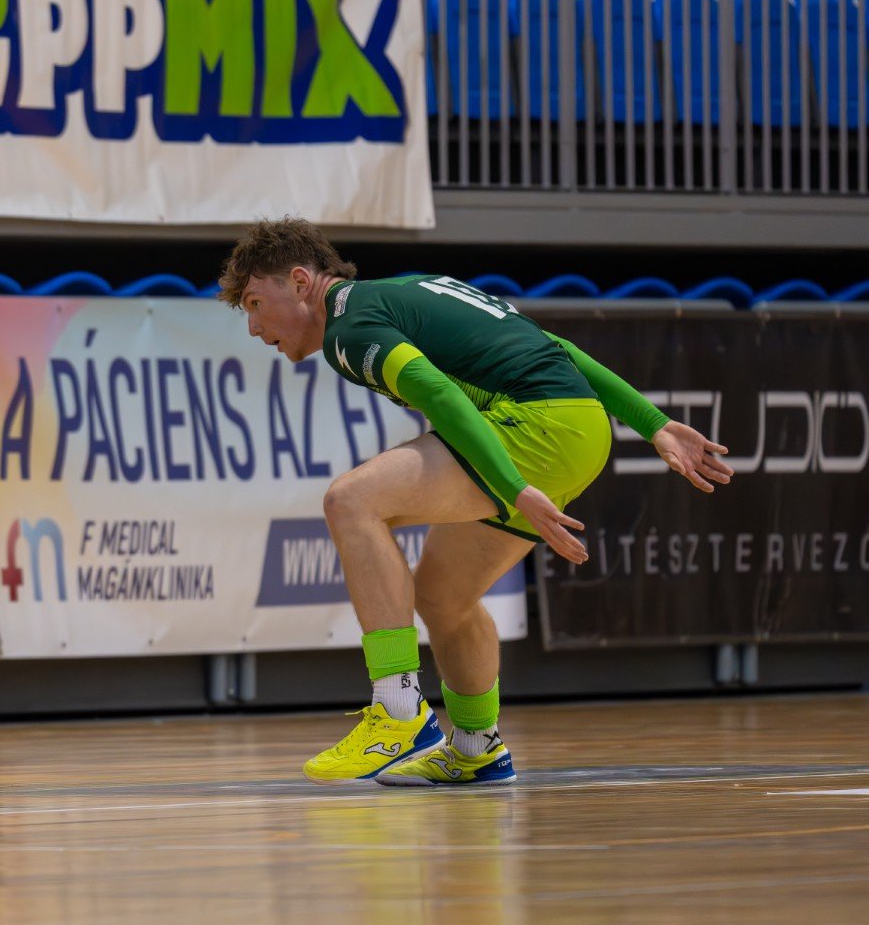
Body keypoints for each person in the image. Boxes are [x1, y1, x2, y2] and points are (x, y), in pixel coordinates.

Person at [219, 219, 732, 786]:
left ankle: (397, 711)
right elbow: (557, 348)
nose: (253, 326)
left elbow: (438, 394)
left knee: (352, 501)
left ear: (299, 281)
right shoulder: (407, 290)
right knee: (443, 595)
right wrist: (651, 422)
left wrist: (512, 486)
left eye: (255, 302)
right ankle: (476, 748)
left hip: (536, 426)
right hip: (577, 427)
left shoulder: (350, 327)